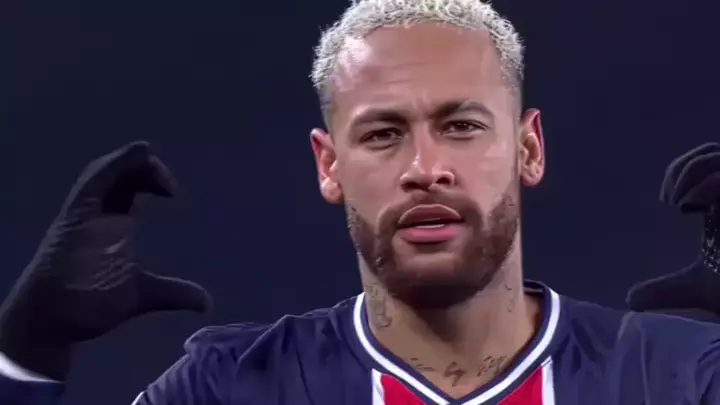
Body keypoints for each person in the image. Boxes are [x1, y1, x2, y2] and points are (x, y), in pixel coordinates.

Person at [0, 0, 719, 404]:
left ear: (529, 148)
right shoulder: (233, 386)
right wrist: (23, 357)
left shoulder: (678, 376)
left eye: (462, 126)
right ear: (329, 164)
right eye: (383, 134)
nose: (425, 169)